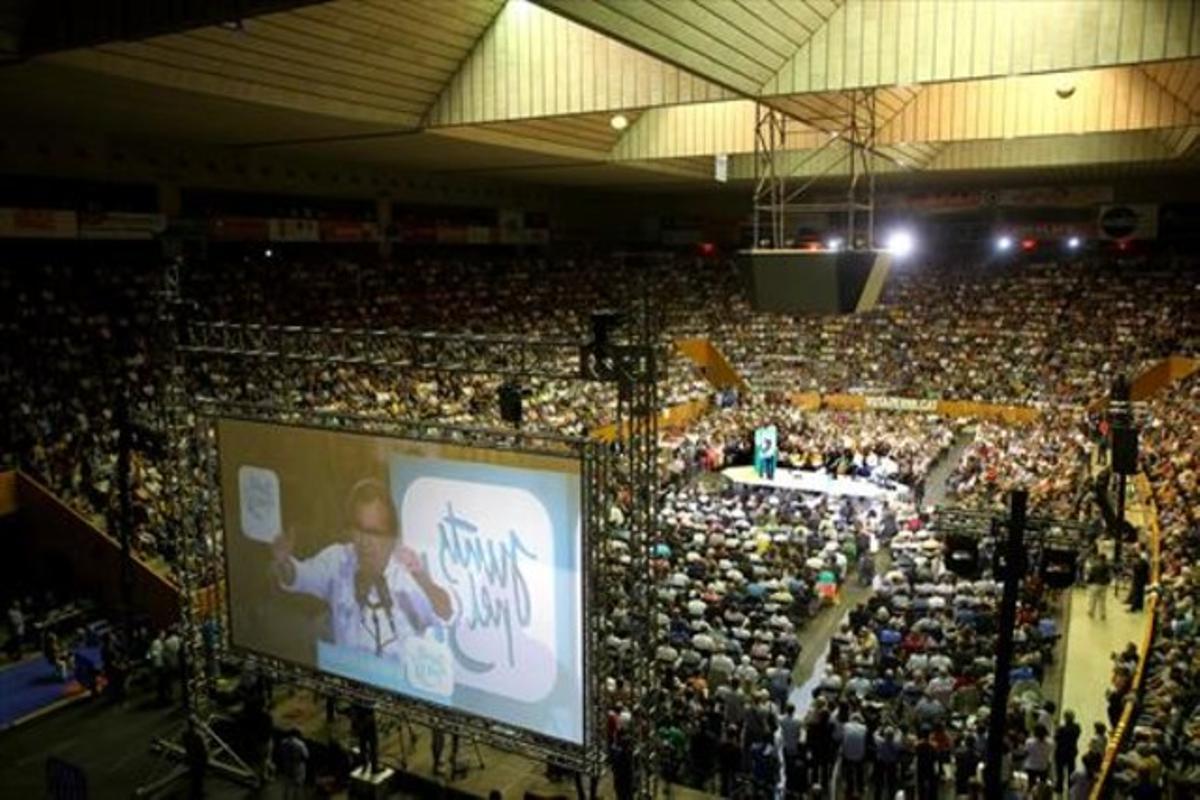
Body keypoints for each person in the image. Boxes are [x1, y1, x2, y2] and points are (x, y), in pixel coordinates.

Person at [272, 479, 453, 659]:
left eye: (374, 532)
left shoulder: (407, 571)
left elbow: (445, 613)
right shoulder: (338, 561)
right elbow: (298, 576)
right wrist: (284, 563)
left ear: (391, 537)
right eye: (359, 530)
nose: (364, 542)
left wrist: (424, 581)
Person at [277, 728, 309, 800]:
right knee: (297, 788)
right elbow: (306, 756)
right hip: (298, 768)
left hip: (286, 767)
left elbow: (279, 754)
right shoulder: (300, 744)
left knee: (287, 788)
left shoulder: (283, 742)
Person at [1054, 710, 1082, 793]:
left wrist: (1057, 729)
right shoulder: (1076, 727)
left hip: (1061, 751)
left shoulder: (1061, 729)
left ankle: (1059, 787)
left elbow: (1056, 738)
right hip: (1071, 751)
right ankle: (1071, 787)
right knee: (1071, 770)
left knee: (1060, 771)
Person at [183, 716, 209, 800]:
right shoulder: (199, 735)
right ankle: (199, 793)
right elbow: (204, 749)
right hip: (200, 759)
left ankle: (195, 792)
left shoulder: (185, 734)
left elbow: (186, 746)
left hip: (191, 757)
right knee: (199, 776)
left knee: (194, 776)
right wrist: (206, 759)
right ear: (195, 724)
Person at [1087, 552, 1111, 620]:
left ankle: (1091, 612)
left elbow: (1091, 576)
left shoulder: (1094, 566)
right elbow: (1109, 576)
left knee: (1093, 600)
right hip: (1103, 585)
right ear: (1105, 559)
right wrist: (1107, 582)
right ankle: (1102, 615)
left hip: (1095, 585)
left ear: (1099, 558)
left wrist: (1088, 582)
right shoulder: (1107, 566)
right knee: (1102, 601)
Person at [1127, 547, 1149, 613]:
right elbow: (1147, 568)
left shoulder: (1136, 564)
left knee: (1136, 594)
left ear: (1135, 558)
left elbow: (1136, 573)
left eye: (1133, 559)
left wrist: (1130, 572)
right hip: (1143, 580)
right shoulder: (1144, 562)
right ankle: (1140, 607)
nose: (1133, 560)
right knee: (1141, 594)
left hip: (1138, 581)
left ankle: (1133, 609)